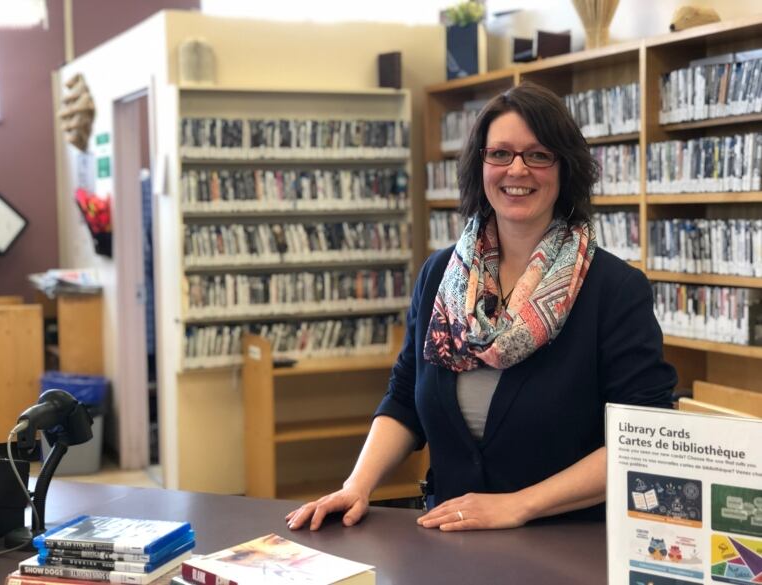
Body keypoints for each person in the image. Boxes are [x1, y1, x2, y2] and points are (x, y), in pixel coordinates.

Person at [285, 82, 677, 532]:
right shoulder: (440, 276)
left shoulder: (614, 290)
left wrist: (520, 505)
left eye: (538, 155)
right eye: (500, 154)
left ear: (564, 168)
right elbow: (403, 399)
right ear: (480, 165)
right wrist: (357, 484)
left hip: (568, 547)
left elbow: (644, 439)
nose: (517, 169)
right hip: (448, 539)